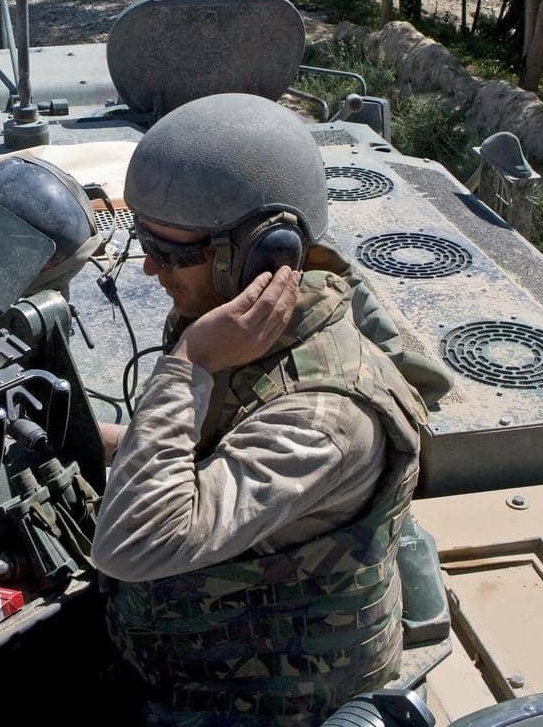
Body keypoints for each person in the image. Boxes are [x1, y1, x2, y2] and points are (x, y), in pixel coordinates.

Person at [93, 92, 430, 727]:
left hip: (269, 696)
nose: (149, 269)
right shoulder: (244, 326)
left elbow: (132, 544)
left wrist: (190, 361)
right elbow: (214, 443)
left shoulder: (322, 417)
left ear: (261, 253)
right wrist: (95, 439)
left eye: (172, 252)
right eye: (144, 242)